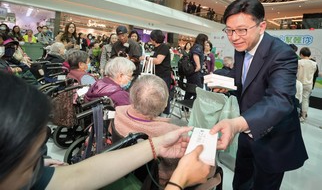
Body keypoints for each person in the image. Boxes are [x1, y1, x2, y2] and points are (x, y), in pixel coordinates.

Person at [0, 72, 212, 190]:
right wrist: (179, 180)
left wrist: (156, 145)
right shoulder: (170, 128)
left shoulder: (118, 113)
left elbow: (78, 175)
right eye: (31, 161)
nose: (39, 161)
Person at [210, 0, 308, 190]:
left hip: (273, 139)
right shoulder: (241, 48)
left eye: (241, 30)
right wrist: (230, 85)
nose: (234, 37)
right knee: (241, 183)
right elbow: (249, 80)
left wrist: (237, 123)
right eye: (229, 30)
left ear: (261, 26)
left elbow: (280, 100)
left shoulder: (282, 53)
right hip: (247, 135)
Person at [149, 29, 172, 114]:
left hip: (163, 76)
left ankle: (165, 114)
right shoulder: (156, 47)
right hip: (157, 75)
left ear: (154, 38)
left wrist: (147, 58)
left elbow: (158, 61)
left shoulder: (164, 47)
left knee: (164, 95)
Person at [297, 47, 318, 122]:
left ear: (301, 54)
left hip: (299, 83)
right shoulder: (314, 64)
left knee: (297, 99)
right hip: (309, 84)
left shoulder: (299, 62)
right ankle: (303, 116)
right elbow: (315, 74)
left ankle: (296, 114)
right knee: (305, 100)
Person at [184, 34, 208, 100]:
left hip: (191, 72)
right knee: (199, 90)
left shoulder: (195, 46)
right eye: (206, 40)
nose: (206, 42)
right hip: (196, 72)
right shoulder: (198, 46)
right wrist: (198, 66)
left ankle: (185, 105)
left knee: (189, 89)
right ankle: (193, 104)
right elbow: (196, 55)